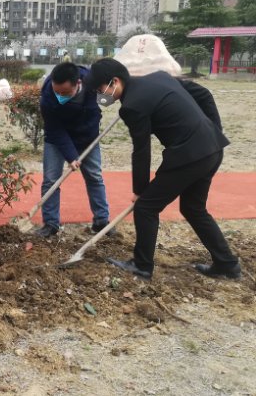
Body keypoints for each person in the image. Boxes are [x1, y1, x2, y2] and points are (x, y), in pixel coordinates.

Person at [87, 58, 241, 280]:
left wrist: (139, 191)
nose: (100, 95)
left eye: (100, 89)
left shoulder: (131, 106)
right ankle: (227, 264)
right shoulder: (160, 77)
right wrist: (213, 131)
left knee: (146, 208)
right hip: (212, 149)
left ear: (115, 81)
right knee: (193, 208)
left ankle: (141, 266)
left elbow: (141, 150)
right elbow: (204, 94)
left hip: (188, 156)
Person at [36, 62, 113, 237]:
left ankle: (101, 221)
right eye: (57, 92)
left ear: (78, 83)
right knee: (50, 180)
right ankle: (50, 224)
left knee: (94, 176)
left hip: (87, 135)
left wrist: (82, 145)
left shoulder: (92, 84)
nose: (59, 96)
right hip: (57, 138)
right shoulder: (48, 96)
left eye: (65, 93)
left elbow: (97, 112)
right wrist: (71, 155)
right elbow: (54, 129)